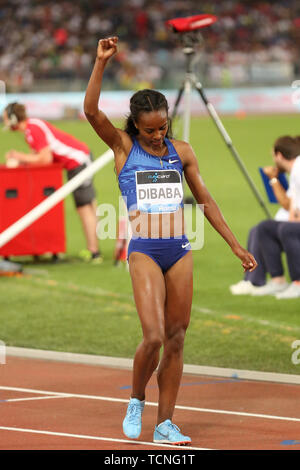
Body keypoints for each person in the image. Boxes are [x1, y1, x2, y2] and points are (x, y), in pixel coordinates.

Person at [84, 36, 257, 445]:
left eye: (163, 127)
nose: (158, 135)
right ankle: (135, 399)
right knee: (155, 336)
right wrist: (100, 63)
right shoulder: (123, 147)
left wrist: (235, 244)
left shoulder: (182, 151)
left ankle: (165, 424)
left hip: (179, 249)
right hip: (144, 248)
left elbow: (206, 200)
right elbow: (91, 111)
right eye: (150, 130)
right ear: (134, 127)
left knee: (178, 338)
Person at [2, 102, 102, 263]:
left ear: (14, 118)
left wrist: (19, 157)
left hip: (78, 162)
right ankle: (94, 249)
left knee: (84, 206)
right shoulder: (31, 128)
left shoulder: (32, 129)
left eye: (7, 118)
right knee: (88, 204)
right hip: (77, 162)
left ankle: (94, 252)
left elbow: (45, 158)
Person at [230, 135, 300, 298]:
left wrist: (274, 179)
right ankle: (276, 281)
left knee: (285, 229)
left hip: (291, 223)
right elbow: (292, 206)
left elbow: (290, 207)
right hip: (290, 220)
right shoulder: (295, 170)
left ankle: (297, 283)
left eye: (273, 155)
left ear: (279, 155)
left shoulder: (297, 169)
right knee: (263, 228)